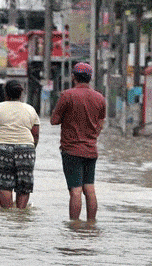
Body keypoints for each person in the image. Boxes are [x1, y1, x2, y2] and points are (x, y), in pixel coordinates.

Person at [51, 62, 106, 222]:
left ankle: (74, 226)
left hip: (71, 150)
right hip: (91, 149)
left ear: (73, 77)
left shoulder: (67, 95)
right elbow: (100, 124)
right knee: (89, 188)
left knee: (75, 190)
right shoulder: (100, 98)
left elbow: (54, 120)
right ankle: (91, 224)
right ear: (90, 78)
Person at [0, 80, 40, 209]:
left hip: (1, 148)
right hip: (26, 149)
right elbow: (35, 134)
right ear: (21, 94)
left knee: (5, 184)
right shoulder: (30, 109)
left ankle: (7, 215)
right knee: (24, 186)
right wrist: (31, 149)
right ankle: (20, 214)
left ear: (6, 93)